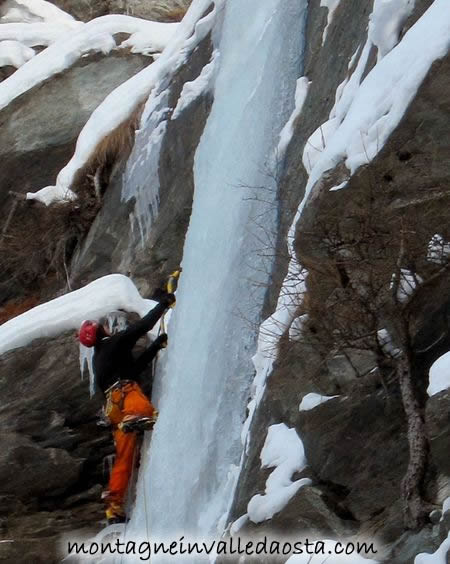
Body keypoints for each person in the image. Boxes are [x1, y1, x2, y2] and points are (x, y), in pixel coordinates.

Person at [78, 293, 175, 523]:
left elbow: (133, 367)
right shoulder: (115, 342)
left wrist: (155, 348)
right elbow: (143, 325)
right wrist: (164, 303)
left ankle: (114, 506)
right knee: (146, 411)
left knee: (123, 457)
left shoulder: (99, 359)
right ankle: (135, 418)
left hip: (114, 408)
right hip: (126, 396)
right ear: (102, 332)